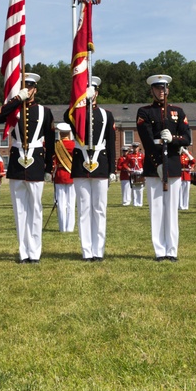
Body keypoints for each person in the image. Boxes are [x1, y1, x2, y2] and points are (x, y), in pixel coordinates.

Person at [0, 73, 54, 264]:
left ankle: (35, 251)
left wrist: (48, 167)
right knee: (19, 209)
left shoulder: (45, 111)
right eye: (24, 87)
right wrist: (17, 99)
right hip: (17, 161)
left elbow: (51, 142)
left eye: (30, 87)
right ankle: (23, 251)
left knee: (35, 208)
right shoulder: (14, 109)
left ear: (35, 89)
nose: (28, 90)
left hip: (36, 161)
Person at [136, 74, 191, 262]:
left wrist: (173, 139)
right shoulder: (144, 112)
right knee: (157, 209)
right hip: (154, 167)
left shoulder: (178, 112)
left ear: (168, 90)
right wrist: (157, 163)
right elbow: (147, 141)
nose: (161, 91)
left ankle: (172, 250)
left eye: (164, 88)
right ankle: (160, 250)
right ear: (151, 90)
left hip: (174, 165)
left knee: (171, 210)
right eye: (158, 88)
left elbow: (187, 138)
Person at [68, 75, 116, 261]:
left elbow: (111, 144)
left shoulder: (106, 115)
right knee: (84, 209)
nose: (92, 94)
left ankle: (99, 250)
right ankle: (86, 250)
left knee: (99, 208)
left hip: (101, 163)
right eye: (88, 91)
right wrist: (81, 101)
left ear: (97, 92)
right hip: (81, 163)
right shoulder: (76, 113)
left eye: (94, 91)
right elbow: (67, 116)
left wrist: (112, 170)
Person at [51, 123, 76, 232]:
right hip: (72, 175)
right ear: (69, 133)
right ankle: (69, 228)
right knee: (71, 202)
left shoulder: (56, 145)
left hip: (60, 175)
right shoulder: (74, 145)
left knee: (61, 202)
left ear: (60, 133)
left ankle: (62, 228)